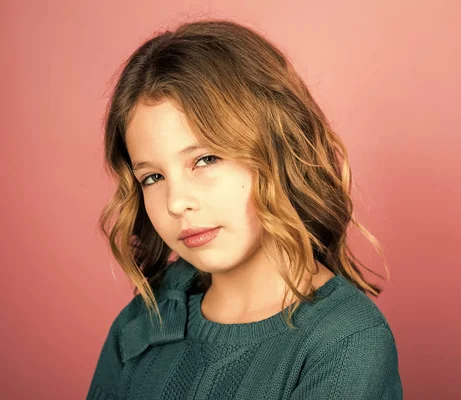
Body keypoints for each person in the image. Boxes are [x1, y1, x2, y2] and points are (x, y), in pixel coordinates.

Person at [87, 19, 403, 400]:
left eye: (205, 159)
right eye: (153, 177)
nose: (176, 202)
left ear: (279, 148)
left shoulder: (345, 343)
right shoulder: (146, 319)